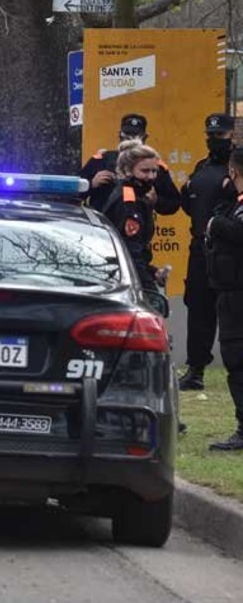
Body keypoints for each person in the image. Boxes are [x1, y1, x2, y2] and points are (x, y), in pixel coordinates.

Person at [177, 113, 238, 391]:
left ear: (231, 136)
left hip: (229, 249)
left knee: (233, 310)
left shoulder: (236, 166)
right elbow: (189, 203)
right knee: (199, 309)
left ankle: (234, 368)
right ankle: (196, 369)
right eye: (211, 135)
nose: (214, 139)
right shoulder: (201, 167)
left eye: (220, 135)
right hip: (201, 247)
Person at [204, 148, 243, 450]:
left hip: (236, 295)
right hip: (230, 292)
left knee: (237, 361)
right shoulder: (234, 205)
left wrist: (217, 225)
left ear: (233, 172)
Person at [101, 141, 169, 292]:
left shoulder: (136, 195)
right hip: (122, 281)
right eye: (144, 171)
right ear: (127, 171)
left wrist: (152, 272)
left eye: (154, 171)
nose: (151, 176)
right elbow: (131, 252)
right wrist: (150, 291)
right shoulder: (128, 201)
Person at [81, 113, 181, 216]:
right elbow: (72, 194)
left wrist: (156, 201)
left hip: (137, 224)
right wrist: (91, 184)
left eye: (136, 136)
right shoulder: (102, 160)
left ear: (145, 137)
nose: (131, 140)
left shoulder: (154, 166)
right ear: (120, 135)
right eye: (127, 135)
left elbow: (173, 203)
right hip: (102, 225)